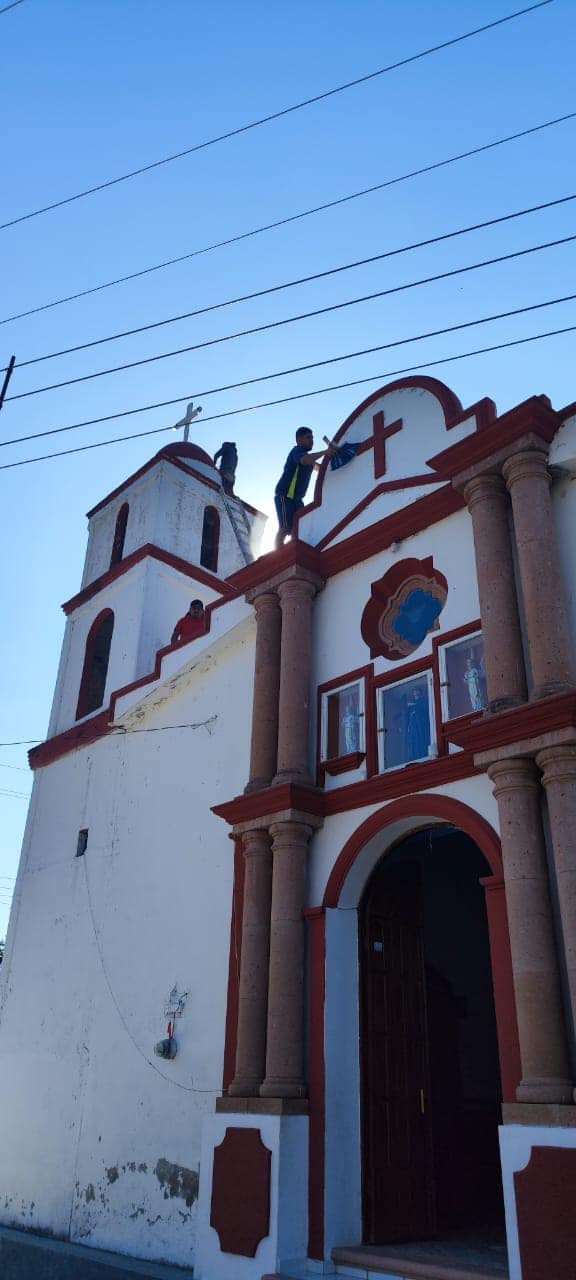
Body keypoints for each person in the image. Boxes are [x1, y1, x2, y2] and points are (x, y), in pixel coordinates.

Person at [274, 427, 336, 549]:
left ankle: (293, 551)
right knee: (285, 527)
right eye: (308, 437)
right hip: (285, 495)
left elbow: (318, 467)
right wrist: (325, 452)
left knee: (299, 527)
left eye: (312, 438)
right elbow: (304, 460)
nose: (312, 440)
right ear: (299, 440)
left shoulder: (308, 457)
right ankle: (277, 555)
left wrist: (331, 459)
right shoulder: (297, 451)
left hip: (297, 499)